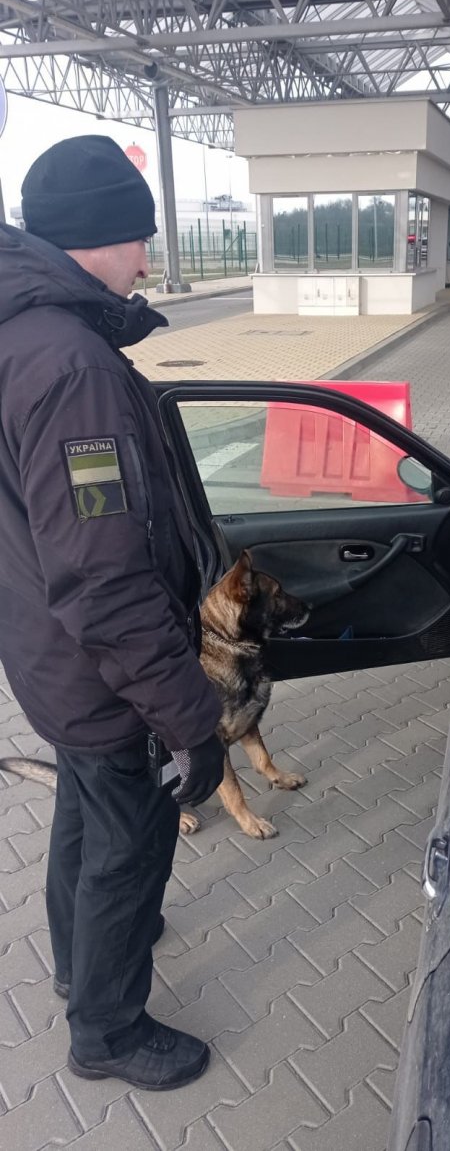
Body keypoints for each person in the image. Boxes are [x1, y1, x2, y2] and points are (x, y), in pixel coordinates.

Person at [0, 136, 226, 1090]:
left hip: (48, 654)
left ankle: (74, 959)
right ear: (102, 236)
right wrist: (192, 718)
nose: (149, 253)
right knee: (130, 846)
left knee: (86, 817)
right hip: (102, 669)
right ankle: (106, 1028)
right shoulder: (73, 367)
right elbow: (108, 582)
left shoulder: (23, 331)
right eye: (140, 234)